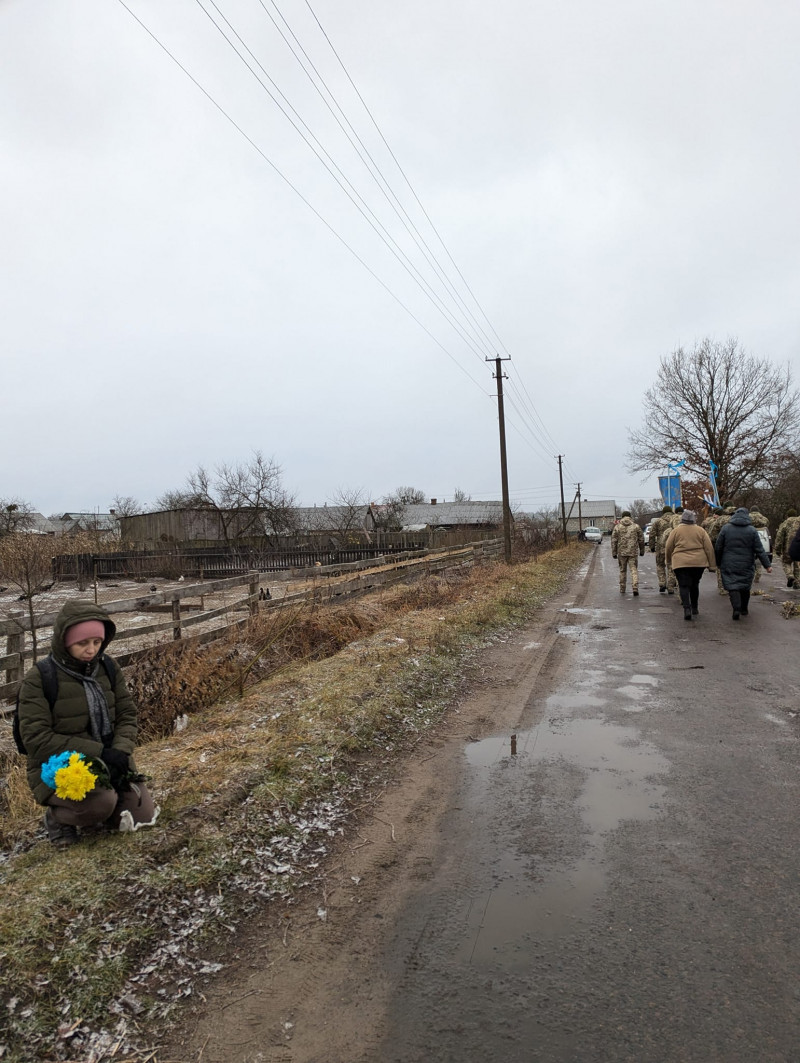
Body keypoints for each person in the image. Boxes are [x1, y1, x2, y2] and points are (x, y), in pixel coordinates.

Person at [17, 600, 159, 848]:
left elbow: (127, 713)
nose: (91, 649)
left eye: (97, 642)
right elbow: (37, 739)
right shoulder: (40, 678)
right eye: (82, 643)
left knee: (142, 816)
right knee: (100, 804)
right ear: (65, 641)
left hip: (110, 760)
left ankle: (104, 806)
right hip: (62, 767)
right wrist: (100, 753)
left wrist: (120, 752)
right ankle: (57, 819)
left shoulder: (108, 667)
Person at [714, 507, 772, 620]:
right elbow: (759, 549)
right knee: (745, 587)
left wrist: (718, 561)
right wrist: (767, 565)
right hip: (747, 563)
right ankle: (744, 608)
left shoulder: (726, 528)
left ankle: (736, 608)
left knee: (732, 586)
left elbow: (718, 547)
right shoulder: (752, 530)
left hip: (729, 562)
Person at [664, 510, 716, 621]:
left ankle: (686, 609)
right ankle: (695, 607)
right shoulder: (700, 531)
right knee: (695, 584)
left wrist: (668, 560)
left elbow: (668, 547)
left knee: (683, 585)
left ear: (682, 519)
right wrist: (712, 565)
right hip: (698, 562)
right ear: (694, 519)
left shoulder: (676, 531)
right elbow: (709, 548)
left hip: (680, 563)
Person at [611, 511, 645, 595]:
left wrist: (614, 552)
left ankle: (622, 588)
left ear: (622, 517)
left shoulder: (617, 527)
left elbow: (614, 540)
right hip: (633, 552)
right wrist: (642, 550)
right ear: (630, 517)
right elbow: (641, 539)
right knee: (633, 570)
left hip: (621, 552)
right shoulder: (636, 526)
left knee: (622, 570)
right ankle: (635, 587)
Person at [773, 509, 800, 589]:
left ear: (787, 515)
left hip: (787, 548)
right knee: (797, 565)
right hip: (798, 547)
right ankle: (797, 583)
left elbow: (779, 536)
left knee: (786, 563)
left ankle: (790, 575)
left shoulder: (785, 523)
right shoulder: (798, 521)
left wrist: (777, 549)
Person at [648, 506, 673, 592]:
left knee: (660, 565)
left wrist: (651, 547)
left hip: (661, 547)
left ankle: (662, 583)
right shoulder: (676, 520)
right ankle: (671, 586)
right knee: (671, 566)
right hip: (673, 547)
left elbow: (652, 535)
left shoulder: (658, 522)